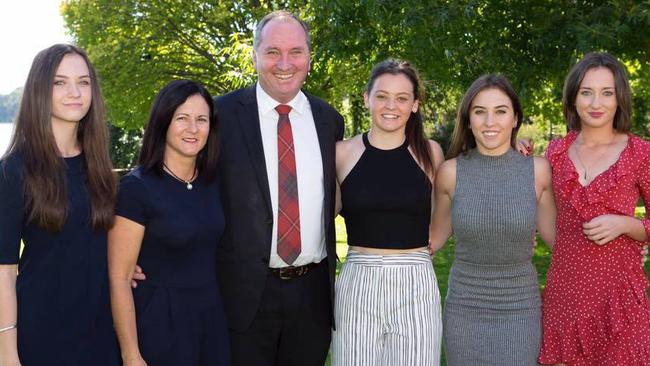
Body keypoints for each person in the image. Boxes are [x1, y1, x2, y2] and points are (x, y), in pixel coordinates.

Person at [214, 10, 344, 366]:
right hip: (244, 295)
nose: (284, 63)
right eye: (272, 52)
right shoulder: (219, 117)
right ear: (255, 55)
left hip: (312, 294)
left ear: (309, 58)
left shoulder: (329, 120)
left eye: (296, 52)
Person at [0, 44, 119, 366]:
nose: (74, 92)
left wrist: (123, 266)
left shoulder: (98, 165)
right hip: (42, 335)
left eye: (83, 82)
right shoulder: (15, 168)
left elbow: (94, 240)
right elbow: (5, 271)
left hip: (101, 332)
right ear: (41, 89)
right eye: (60, 82)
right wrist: (8, 353)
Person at [429, 74, 556, 365]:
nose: (490, 122)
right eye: (479, 112)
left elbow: (558, 242)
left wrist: (617, 253)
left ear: (515, 119)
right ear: (468, 119)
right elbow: (433, 239)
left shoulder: (537, 171)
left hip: (521, 309)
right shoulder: (450, 172)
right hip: (465, 309)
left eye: (500, 111)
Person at [537, 52, 650, 366]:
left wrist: (625, 225)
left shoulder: (640, 153)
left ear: (619, 99)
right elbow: (543, 213)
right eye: (586, 92)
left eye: (606, 92)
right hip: (566, 294)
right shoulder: (555, 152)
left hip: (620, 299)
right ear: (573, 98)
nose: (596, 102)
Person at [332, 59, 444, 365]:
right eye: (382, 96)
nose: (390, 106)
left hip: (415, 280)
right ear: (367, 98)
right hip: (358, 281)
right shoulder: (342, 152)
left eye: (402, 98)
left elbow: (447, 207)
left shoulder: (430, 153)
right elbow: (320, 213)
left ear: (415, 104)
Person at [109, 80, 228, 366]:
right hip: (160, 326)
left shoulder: (213, 183)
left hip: (210, 322)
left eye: (201, 119)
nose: (193, 129)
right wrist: (131, 355)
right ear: (163, 122)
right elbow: (120, 278)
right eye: (182, 118)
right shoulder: (137, 188)